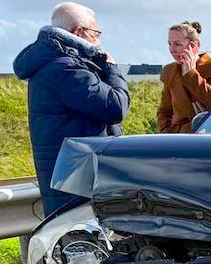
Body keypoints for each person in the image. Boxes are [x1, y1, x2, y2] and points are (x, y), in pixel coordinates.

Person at [13, 2, 129, 216]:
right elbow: (115, 106)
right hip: (76, 181)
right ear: (79, 32)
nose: (99, 40)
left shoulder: (53, 63)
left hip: (71, 176)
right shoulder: (66, 69)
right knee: (80, 244)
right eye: (96, 33)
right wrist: (111, 68)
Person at [157, 21, 211, 133]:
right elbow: (164, 112)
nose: (171, 49)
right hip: (178, 140)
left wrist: (191, 73)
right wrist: (166, 135)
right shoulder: (170, 71)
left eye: (177, 44)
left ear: (193, 46)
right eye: (169, 44)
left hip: (209, 137)